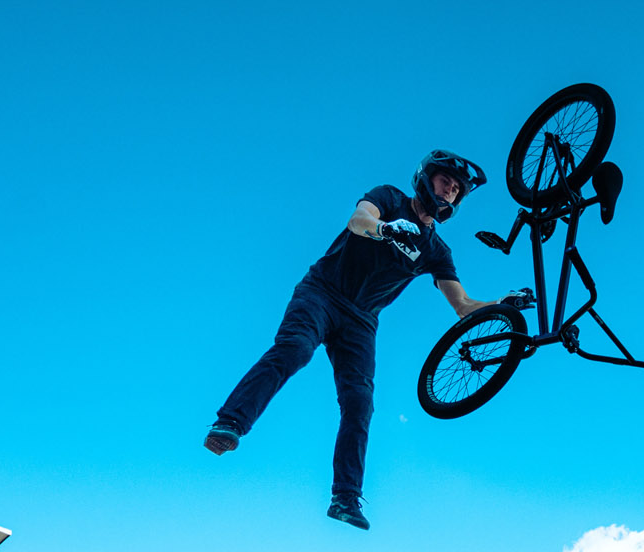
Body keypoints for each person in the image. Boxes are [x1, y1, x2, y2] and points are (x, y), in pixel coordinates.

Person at [201, 151, 527, 531]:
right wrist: (385, 229)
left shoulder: (437, 251)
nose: (449, 193)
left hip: (361, 322)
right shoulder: (388, 197)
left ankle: (345, 498)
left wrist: (502, 303)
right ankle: (230, 423)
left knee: (360, 401)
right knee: (295, 349)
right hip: (322, 292)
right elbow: (359, 220)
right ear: (426, 178)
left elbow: (462, 305)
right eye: (445, 183)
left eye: (456, 191)